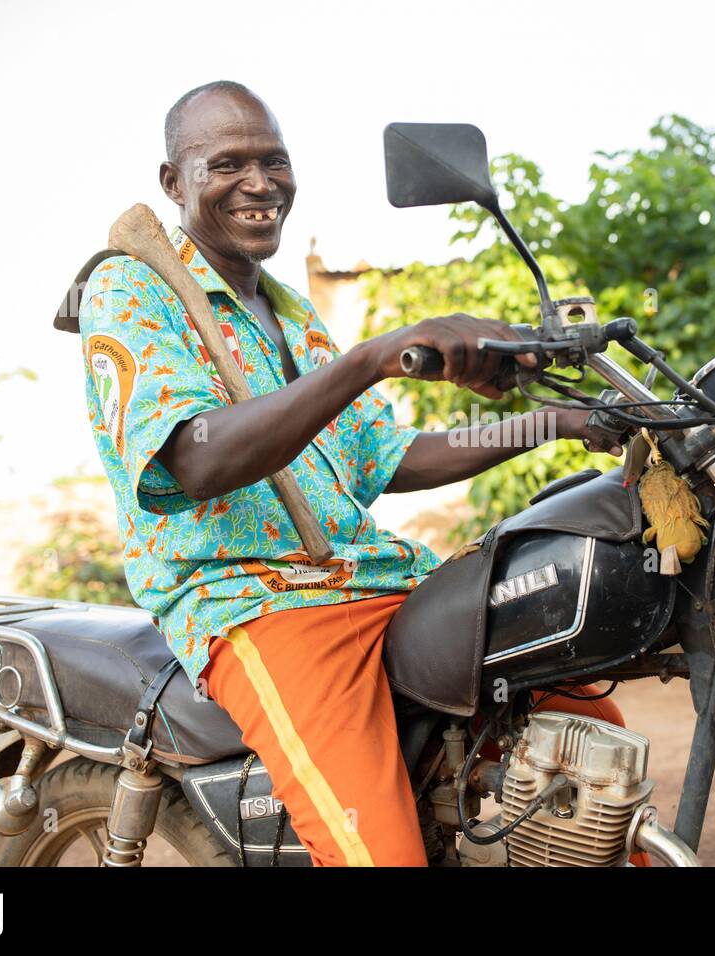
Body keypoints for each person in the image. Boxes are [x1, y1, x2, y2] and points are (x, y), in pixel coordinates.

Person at [78, 80, 625, 866]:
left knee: (572, 714)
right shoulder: (132, 287)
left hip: (373, 576)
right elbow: (198, 459)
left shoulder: (292, 312)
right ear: (175, 182)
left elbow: (388, 457)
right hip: (256, 602)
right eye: (227, 163)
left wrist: (561, 422)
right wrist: (376, 357)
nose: (260, 183)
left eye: (275, 160)